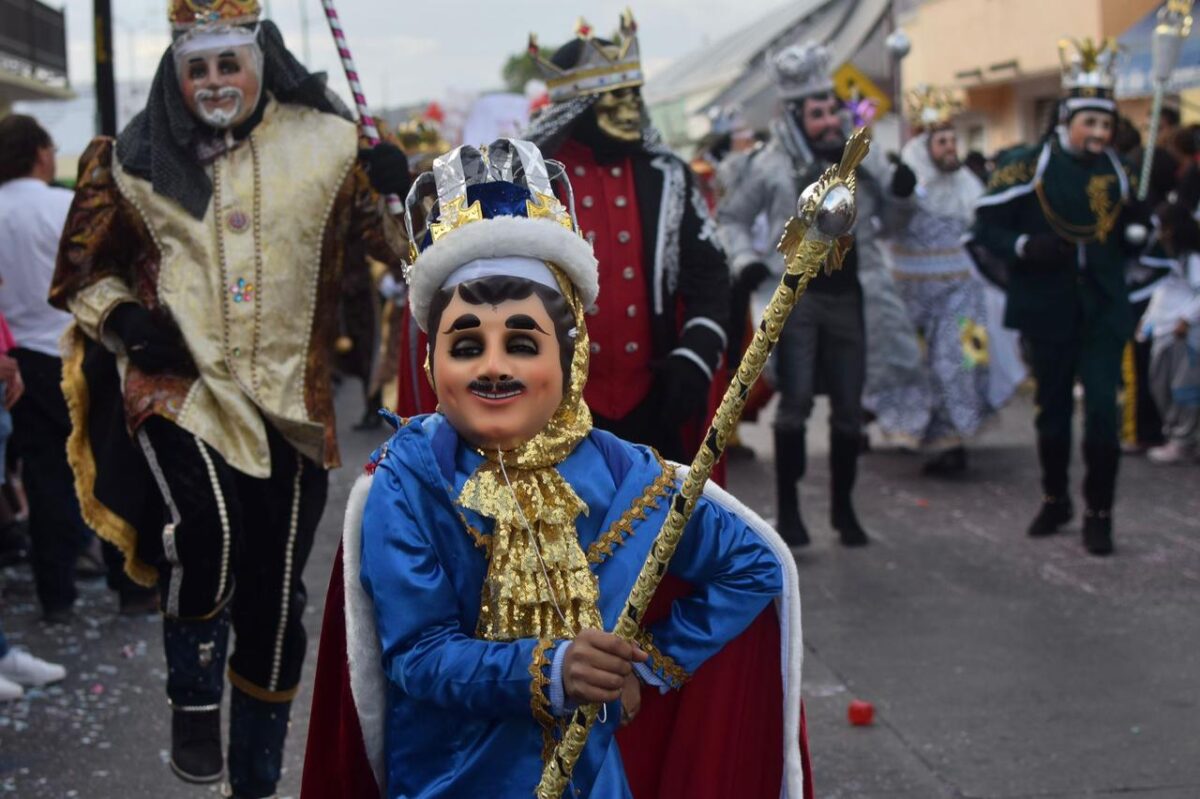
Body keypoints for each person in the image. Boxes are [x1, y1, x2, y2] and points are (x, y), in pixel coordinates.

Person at [301, 138, 812, 799]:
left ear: (571, 358)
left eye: (521, 341)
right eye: (465, 345)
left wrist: (647, 665)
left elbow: (754, 566)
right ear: (431, 365)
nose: (492, 365)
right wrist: (554, 668)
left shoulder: (629, 477)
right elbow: (417, 656)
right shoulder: (410, 480)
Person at [47, 1, 409, 795]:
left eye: (227, 63)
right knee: (205, 531)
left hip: (290, 403)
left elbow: (405, 253)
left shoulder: (330, 145)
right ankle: (190, 695)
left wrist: (401, 188)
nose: (213, 82)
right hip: (180, 385)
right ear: (176, 71)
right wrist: (129, 321)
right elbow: (82, 274)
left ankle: (253, 778)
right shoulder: (132, 157)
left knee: (277, 604)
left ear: (260, 61)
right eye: (197, 66)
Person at [718, 42, 917, 547]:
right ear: (794, 115)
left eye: (833, 110)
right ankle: (790, 515)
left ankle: (845, 512)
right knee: (796, 403)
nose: (829, 121)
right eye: (818, 112)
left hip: (854, 300)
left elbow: (894, 225)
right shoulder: (769, 164)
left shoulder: (862, 161)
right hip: (797, 299)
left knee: (850, 409)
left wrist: (899, 190)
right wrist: (744, 260)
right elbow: (733, 218)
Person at [522, 12, 731, 465]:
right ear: (576, 107)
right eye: (614, 97)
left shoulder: (669, 177)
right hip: (552, 407)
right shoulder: (531, 183)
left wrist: (696, 354)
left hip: (654, 397)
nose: (631, 108)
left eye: (635, 95)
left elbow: (710, 274)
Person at [972, 38, 1148, 556]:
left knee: (1101, 410)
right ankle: (1055, 499)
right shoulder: (1028, 166)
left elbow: (1142, 234)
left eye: (1106, 124)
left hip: (1103, 309)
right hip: (1049, 309)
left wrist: (1143, 226)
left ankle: (1100, 512)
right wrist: (1026, 245)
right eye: (1089, 122)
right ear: (1067, 119)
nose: (1099, 134)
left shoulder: (1120, 173)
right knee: (1052, 410)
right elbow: (986, 227)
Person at [0, 114, 151, 622]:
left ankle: (56, 595)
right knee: (105, 468)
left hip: (19, 360)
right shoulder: (64, 207)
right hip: (78, 353)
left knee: (44, 477)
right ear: (40, 153)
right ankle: (128, 585)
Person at [872, 87, 1023, 474]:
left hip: (959, 291)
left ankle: (953, 443)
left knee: (958, 364)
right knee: (913, 369)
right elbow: (886, 226)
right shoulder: (904, 180)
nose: (950, 148)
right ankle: (916, 433)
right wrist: (899, 195)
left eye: (952, 140)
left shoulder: (967, 186)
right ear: (924, 146)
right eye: (941, 141)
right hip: (909, 296)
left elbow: (982, 228)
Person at [1141, 201, 1200, 464]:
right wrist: (1146, 323)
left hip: (1183, 333)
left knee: (1183, 390)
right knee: (1160, 385)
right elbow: (1160, 292)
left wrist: (1186, 319)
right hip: (1163, 329)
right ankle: (1177, 436)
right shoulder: (1166, 256)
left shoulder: (1193, 258)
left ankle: (1183, 441)